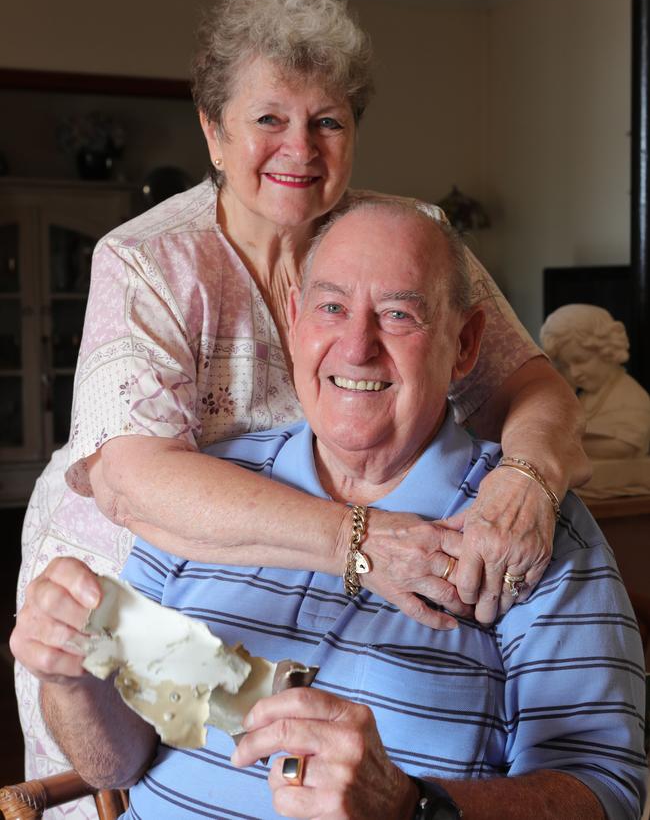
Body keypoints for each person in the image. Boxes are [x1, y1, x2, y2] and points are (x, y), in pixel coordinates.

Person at [16, 0, 590, 805]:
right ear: (213, 131)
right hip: (152, 593)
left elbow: (531, 381)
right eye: (268, 119)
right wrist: (362, 541)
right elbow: (133, 479)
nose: (301, 148)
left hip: (328, 587)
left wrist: (528, 478)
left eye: (328, 120)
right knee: (181, 783)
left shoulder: (405, 237)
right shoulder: (149, 260)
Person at [12, 200, 644, 820]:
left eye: (398, 315)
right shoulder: (211, 487)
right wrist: (75, 679)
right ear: (295, 322)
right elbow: (116, 764)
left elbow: (604, 792)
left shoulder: (524, 527)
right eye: (332, 308)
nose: (357, 346)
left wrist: (410, 805)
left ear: (466, 344)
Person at [540, 304, 650, 459]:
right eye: (565, 366)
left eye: (581, 360)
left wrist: (561, 443)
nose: (574, 373)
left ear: (607, 350)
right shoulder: (582, 397)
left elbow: (625, 446)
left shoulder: (631, 398)